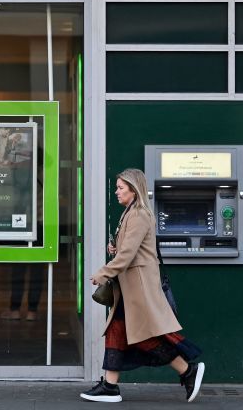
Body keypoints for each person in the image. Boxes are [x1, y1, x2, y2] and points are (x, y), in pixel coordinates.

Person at [81, 168, 205, 404]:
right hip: (130, 288)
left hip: (137, 288)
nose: (116, 192)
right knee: (117, 332)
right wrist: (115, 249)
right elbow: (130, 249)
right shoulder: (130, 212)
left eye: (120, 188)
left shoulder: (138, 215)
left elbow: (128, 255)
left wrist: (103, 274)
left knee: (143, 336)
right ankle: (110, 385)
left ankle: (187, 371)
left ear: (133, 189)